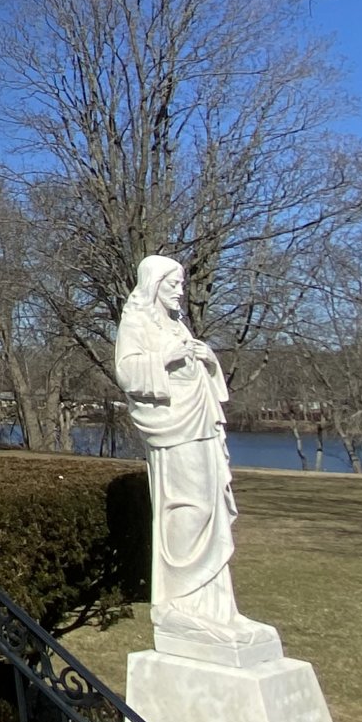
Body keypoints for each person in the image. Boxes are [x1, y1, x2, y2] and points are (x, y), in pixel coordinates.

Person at [114, 254, 276, 658]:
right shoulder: (137, 321)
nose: (179, 291)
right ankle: (181, 601)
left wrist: (209, 361)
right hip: (174, 427)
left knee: (213, 506)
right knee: (188, 506)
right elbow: (127, 372)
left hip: (201, 423)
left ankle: (219, 608)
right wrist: (164, 359)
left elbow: (202, 378)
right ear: (154, 284)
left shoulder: (175, 323)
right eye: (173, 284)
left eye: (181, 284)